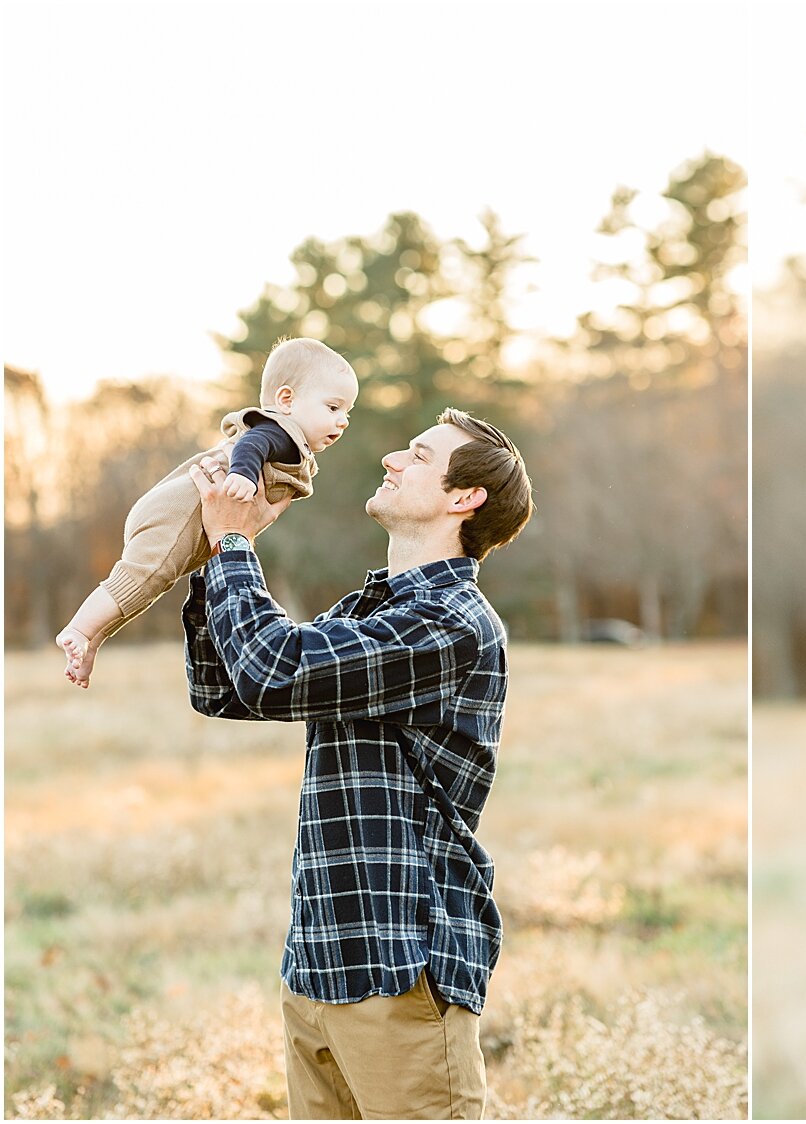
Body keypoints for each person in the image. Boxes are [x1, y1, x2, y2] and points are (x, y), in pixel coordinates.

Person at [182, 407, 534, 1119]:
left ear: (464, 498)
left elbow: (274, 669)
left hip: (399, 967)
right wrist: (208, 550)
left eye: (418, 455)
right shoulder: (370, 611)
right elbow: (224, 687)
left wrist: (233, 547)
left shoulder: (451, 623)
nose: (391, 459)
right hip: (318, 966)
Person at [55, 337, 358, 688]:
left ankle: (92, 640)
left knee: (151, 585)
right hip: (179, 513)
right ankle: (79, 628)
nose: (344, 420)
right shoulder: (277, 430)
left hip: (192, 525)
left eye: (347, 412)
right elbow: (251, 444)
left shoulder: (292, 438)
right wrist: (243, 474)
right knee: (141, 575)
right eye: (333, 408)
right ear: (286, 400)